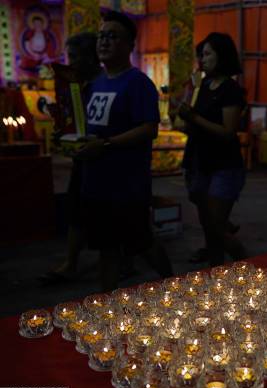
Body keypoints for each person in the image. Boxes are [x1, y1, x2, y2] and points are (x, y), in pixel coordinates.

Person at [76, 11, 172, 291]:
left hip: (127, 184)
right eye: (101, 36)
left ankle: (174, 286)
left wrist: (106, 145)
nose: (104, 42)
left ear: (130, 45)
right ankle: (108, 306)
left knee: (142, 242)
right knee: (106, 249)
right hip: (95, 183)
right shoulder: (95, 84)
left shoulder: (138, 83)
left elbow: (149, 129)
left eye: (113, 36)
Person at [178, 32, 247, 267]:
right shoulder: (203, 86)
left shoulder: (231, 90)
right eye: (201, 54)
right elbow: (193, 126)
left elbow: (227, 132)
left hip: (224, 165)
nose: (202, 59)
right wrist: (183, 118)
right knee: (208, 225)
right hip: (200, 160)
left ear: (222, 56)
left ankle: (252, 267)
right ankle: (216, 270)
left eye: (207, 54)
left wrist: (194, 118)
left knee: (217, 225)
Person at [39, 32, 103, 285]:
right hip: (83, 158)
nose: (71, 63)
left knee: (112, 215)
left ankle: (124, 262)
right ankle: (71, 262)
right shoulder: (80, 84)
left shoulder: (105, 84)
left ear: (90, 57)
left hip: (104, 158)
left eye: (75, 57)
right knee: (76, 210)